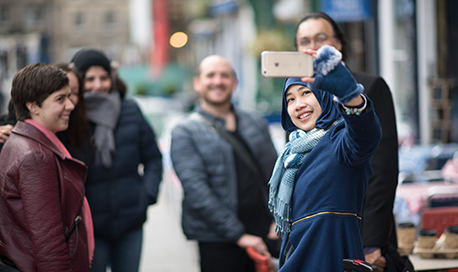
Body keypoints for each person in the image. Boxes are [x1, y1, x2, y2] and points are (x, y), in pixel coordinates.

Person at [294, 12, 399, 271]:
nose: (313, 47)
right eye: (304, 41)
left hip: (360, 230)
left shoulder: (368, 87)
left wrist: (371, 242)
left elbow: (383, 168)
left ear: (338, 44)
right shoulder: (298, 97)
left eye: (321, 38)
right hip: (316, 239)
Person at [268, 45, 381, 271]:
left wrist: (350, 95)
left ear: (325, 96)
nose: (298, 105)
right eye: (289, 99)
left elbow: (365, 135)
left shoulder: (339, 141)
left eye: (306, 93)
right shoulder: (292, 155)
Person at [170, 55, 279, 272]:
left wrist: (279, 219)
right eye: (210, 75)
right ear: (197, 83)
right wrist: (238, 235)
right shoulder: (185, 131)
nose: (218, 81)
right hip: (218, 242)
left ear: (234, 83)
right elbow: (197, 191)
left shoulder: (255, 121)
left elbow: (277, 174)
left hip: (267, 233)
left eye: (225, 75)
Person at [70, 48, 163, 272]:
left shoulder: (130, 110)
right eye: (89, 79)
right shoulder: (70, 115)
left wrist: (146, 195)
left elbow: (153, 159)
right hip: (90, 227)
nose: (97, 85)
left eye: (103, 78)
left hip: (130, 223)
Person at [0, 63, 92, 271]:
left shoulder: (19, 139)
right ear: (33, 106)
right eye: (60, 99)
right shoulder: (35, 155)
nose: (70, 105)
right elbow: (48, 241)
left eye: (69, 96)